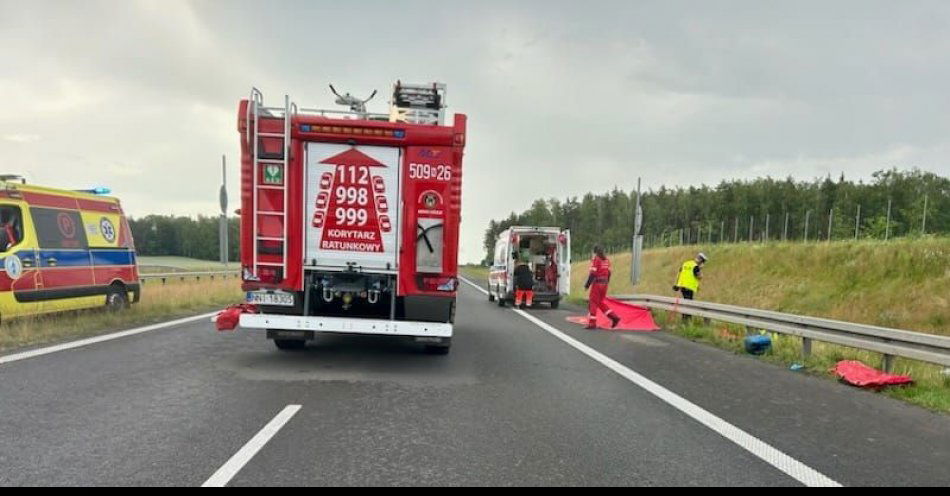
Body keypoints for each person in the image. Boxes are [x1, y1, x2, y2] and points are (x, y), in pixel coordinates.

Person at [585, 245, 620, 329]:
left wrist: (587, 284)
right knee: (600, 302)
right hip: (604, 284)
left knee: (593, 302)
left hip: (597, 284)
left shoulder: (597, 260)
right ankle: (614, 317)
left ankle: (592, 323)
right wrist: (607, 282)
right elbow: (609, 273)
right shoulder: (606, 260)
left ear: (595, 252)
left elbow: (593, 273)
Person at [673, 252, 708, 321]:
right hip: (689, 288)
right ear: (701, 260)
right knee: (689, 304)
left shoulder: (686, 263)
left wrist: (676, 284)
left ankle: (685, 319)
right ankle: (686, 320)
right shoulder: (695, 267)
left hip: (682, 286)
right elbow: (699, 277)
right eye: (703, 262)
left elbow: (679, 273)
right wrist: (700, 269)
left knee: (686, 303)